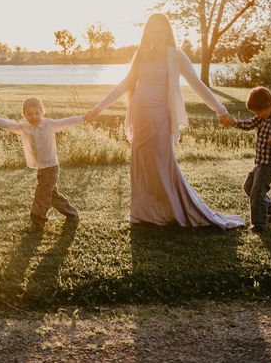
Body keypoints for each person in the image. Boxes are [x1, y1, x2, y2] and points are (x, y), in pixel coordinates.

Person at [85, 13, 244, 228]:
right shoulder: (141, 55)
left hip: (160, 117)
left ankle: (172, 209)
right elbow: (124, 85)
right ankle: (145, 213)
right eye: (151, 30)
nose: (155, 34)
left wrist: (220, 109)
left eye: (159, 30)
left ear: (167, 32)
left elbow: (197, 84)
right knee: (143, 164)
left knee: (162, 164)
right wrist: (98, 107)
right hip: (140, 117)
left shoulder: (176, 56)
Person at [0, 97, 82, 230]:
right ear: (24, 115)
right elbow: (7, 124)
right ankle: (72, 214)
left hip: (51, 168)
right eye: (29, 114)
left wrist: (84, 117)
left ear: (42, 112)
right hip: (41, 168)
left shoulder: (49, 124)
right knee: (51, 196)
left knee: (41, 194)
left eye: (37, 113)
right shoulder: (24, 128)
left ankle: (37, 222)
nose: (33, 117)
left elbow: (67, 121)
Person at [224, 86, 271, 233]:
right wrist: (233, 122)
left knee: (257, 192)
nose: (257, 116)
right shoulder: (261, 117)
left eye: (259, 112)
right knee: (248, 187)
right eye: (256, 113)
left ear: (269, 105)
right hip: (261, 161)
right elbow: (248, 124)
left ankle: (259, 225)